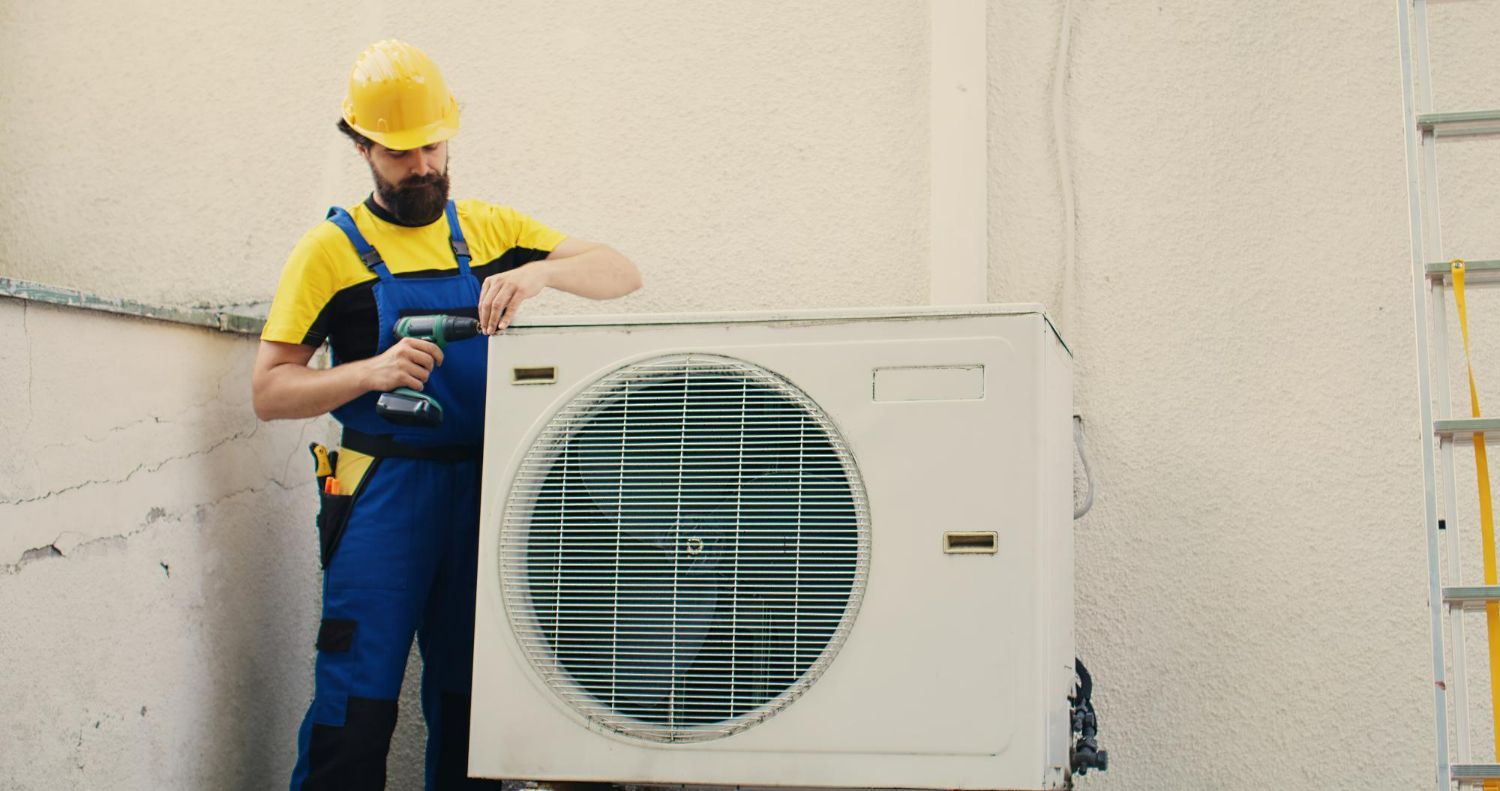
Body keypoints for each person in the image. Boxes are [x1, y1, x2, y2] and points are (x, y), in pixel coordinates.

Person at [252, 39, 641, 791]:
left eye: (432, 145)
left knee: (475, 713)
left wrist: (539, 273)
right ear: (364, 146)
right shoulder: (327, 252)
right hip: (381, 496)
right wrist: (367, 372)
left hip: (489, 496)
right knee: (355, 706)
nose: (423, 166)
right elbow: (269, 391)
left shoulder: (489, 231)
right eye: (401, 153)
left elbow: (622, 272)